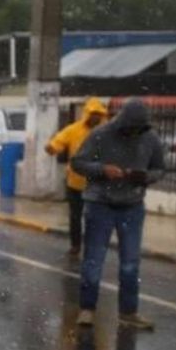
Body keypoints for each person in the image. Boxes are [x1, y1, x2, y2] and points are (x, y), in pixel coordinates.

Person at [71, 98, 164, 330]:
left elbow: (159, 168)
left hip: (132, 205)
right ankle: (87, 309)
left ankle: (129, 312)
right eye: (130, 127)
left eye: (138, 128)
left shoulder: (150, 139)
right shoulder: (101, 135)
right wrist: (103, 170)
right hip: (100, 204)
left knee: (130, 263)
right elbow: (78, 163)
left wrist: (144, 177)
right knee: (94, 260)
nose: (133, 132)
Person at [45, 97, 110, 256]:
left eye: (98, 114)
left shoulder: (106, 132)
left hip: (96, 183)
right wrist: (52, 148)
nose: (95, 117)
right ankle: (76, 245)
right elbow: (59, 141)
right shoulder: (74, 130)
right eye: (93, 113)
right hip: (75, 182)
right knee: (75, 217)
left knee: (93, 218)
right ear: (87, 114)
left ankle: (92, 245)